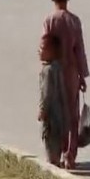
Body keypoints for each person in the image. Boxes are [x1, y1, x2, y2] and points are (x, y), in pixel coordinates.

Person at [41, 0, 89, 170]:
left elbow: (43, 49)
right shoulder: (74, 21)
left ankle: (56, 152)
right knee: (72, 114)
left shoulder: (49, 21)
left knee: (55, 111)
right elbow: (80, 50)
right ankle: (70, 155)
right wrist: (82, 76)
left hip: (54, 72)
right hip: (71, 72)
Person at [38, 33, 69, 167]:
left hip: (51, 118)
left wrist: (42, 110)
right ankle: (56, 161)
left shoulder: (47, 71)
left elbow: (46, 93)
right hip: (60, 116)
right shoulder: (58, 68)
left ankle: (53, 164)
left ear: (51, 52)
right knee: (57, 147)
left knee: (50, 148)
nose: (39, 51)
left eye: (42, 48)